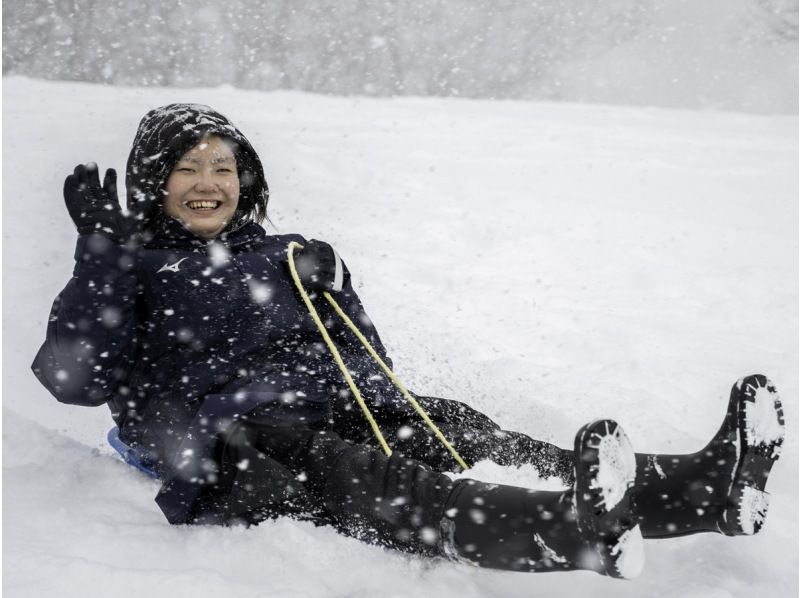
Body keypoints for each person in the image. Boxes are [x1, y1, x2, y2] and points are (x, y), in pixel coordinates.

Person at [32, 104, 785, 580]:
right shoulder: (131, 268)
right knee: (374, 479)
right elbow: (73, 378)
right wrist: (101, 257)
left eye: (223, 166)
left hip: (332, 403)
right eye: (187, 167)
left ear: (246, 180)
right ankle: (570, 534)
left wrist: (345, 319)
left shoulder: (291, 253)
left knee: (471, 432)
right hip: (236, 446)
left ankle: (703, 487)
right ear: (152, 182)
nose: (208, 181)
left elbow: (368, 359)